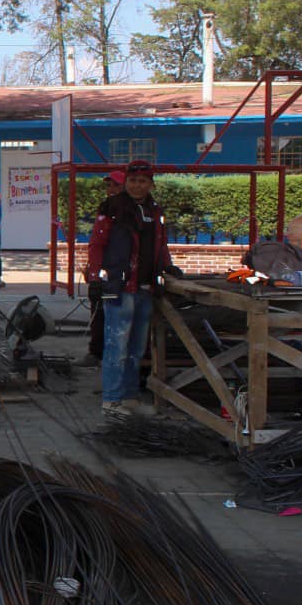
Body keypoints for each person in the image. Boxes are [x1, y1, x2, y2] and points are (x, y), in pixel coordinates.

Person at [86, 161, 183, 419]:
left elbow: (160, 245)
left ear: (151, 184)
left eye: (142, 181)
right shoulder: (112, 208)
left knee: (137, 348)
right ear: (126, 182)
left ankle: (129, 397)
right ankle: (112, 400)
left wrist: (168, 267)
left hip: (145, 288)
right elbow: (97, 244)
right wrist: (95, 277)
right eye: (132, 180)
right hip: (118, 287)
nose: (136, 185)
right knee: (116, 345)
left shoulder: (155, 210)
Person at [78, 170, 126, 367]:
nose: (110, 189)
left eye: (115, 185)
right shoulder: (105, 209)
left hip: (124, 274)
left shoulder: (134, 211)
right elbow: (97, 244)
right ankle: (96, 352)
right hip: (107, 271)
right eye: (109, 185)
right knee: (99, 312)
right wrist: (94, 274)